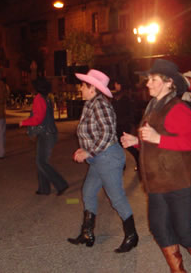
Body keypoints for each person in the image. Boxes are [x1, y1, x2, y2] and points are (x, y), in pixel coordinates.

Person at [121, 59, 191, 273]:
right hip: (157, 181)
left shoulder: (178, 108)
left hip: (180, 181)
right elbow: (154, 137)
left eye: (153, 79)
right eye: (148, 79)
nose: (147, 83)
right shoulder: (152, 106)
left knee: (184, 232)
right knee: (159, 228)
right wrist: (137, 141)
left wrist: (157, 138)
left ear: (169, 82)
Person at [68, 69, 138, 253]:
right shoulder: (91, 103)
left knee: (116, 198)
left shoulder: (100, 105)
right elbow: (96, 132)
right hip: (98, 157)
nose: (80, 87)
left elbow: (107, 134)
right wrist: (85, 149)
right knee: (88, 191)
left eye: (83, 85)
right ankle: (87, 232)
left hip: (107, 157)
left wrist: (87, 151)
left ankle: (132, 235)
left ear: (92, 88)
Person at [19, 77, 68, 196]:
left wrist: (24, 122)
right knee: (40, 161)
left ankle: (61, 184)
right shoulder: (47, 98)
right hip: (49, 132)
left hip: (46, 134)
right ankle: (43, 188)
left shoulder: (38, 99)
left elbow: (38, 119)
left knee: (41, 162)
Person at [111, 78, 140, 171]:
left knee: (128, 146)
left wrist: (128, 123)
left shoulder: (125, 97)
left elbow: (130, 112)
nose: (115, 85)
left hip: (123, 125)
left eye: (116, 84)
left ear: (120, 85)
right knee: (118, 146)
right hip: (117, 125)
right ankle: (122, 165)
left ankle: (139, 160)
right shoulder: (116, 96)